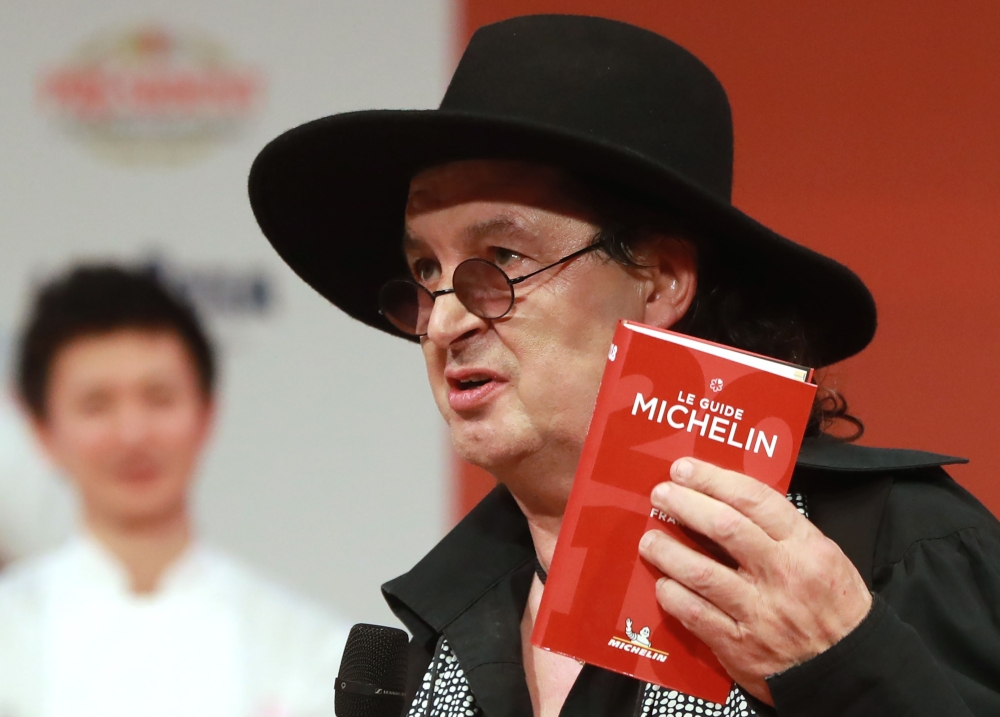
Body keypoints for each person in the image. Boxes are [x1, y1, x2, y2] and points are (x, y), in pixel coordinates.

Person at [247, 14, 1000, 717]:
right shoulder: (432, 642)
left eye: (502, 258)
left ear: (660, 279)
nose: (444, 320)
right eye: (423, 268)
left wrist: (849, 664)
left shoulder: (893, 551)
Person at [0, 265, 350, 717]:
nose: (132, 434)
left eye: (159, 397)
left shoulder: (306, 650)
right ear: (43, 430)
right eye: (96, 404)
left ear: (207, 413)